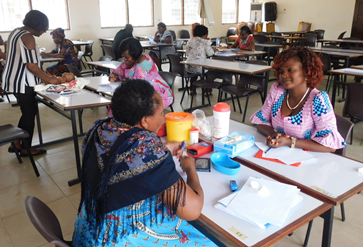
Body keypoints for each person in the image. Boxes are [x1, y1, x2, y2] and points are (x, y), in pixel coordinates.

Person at [72, 79, 217, 247]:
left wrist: (162, 149)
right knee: (205, 239)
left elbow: (122, 156)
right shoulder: (147, 146)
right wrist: (191, 168)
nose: (163, 118)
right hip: (118, 238)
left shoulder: (98, 128)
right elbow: (193, 209)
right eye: (161, 113)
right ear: (145, 121)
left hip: (89, 230)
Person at [250, 47, 345, 152]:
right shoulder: (277, 90)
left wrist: (290, 142)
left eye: (290, 70)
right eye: (281, 72)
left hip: (308, 159)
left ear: (306, 71)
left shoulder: (318, 99)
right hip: (279, 154)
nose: (284, 75)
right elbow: (260, 121)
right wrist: (274, 135)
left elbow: (330, 146)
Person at [1, 10, 60, 156]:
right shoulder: (28, 37)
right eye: (44, 28)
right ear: (38, 25)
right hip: (22, 82)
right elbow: (31, 66)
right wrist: (48, 79)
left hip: (12, 79)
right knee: (30, 113)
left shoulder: (16, 32)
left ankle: (17, 142)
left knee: (27, 112)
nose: (44, 31)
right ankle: (26, 148)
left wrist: (42, 76)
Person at [109, 37, 173, 109]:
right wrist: (114, 75)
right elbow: (119, 71)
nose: (125, 60)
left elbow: (137, 84)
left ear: (134, 54)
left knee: (130, 106)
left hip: (157, 94)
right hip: (141, 95)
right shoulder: (129, 61)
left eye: (127, 57)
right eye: (123, 57)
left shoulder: (144, 61)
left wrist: (125, 81)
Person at [185, 24, 215, 95]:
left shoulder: (190, 41)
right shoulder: (204, 42)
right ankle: (207, 90)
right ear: (204, 35)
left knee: (194, 74)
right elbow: (210, 53)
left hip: (189, 67)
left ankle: (192, 90)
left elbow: (187, 53)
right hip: (200, 67)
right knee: (210, 72)